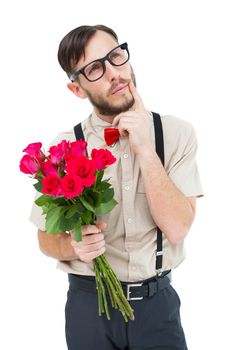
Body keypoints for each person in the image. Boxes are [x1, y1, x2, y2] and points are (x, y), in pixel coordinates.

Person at [30, 24, 203, 349]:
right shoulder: (64, 147)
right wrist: (73, 248)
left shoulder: (177, 134)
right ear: (77, 90)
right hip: (89, 306)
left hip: (157, 306)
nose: (113, 73)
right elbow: (45, 238)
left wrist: (146, 151)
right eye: (95, 68)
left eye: (115, 57)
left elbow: (178, 228)